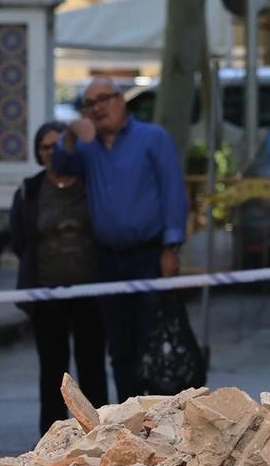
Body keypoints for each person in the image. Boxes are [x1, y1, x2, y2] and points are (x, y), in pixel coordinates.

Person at [50, 76, 188, 400]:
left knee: (151, 340)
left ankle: (159, 411)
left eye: (104, 99)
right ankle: (129, 411)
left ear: (121, 100)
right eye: (89, 104)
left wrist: (171, 247)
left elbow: (173, 191)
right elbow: (60, 164)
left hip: (149, 254)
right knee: (120, 345)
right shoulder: (88, 146)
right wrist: (70, 134)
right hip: (108, 258)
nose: (97, 108)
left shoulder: (152, 137)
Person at [7, 121, 109, 432]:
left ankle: (100, 432)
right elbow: (19, 239)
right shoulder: (30, 190)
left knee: (92, 368)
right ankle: (51, 437)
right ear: (38, 153)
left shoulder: (92, 183)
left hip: (90, 294)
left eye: (58, 145)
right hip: (46, 295)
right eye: (45, 147)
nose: (52, 152)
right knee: (52, 370)